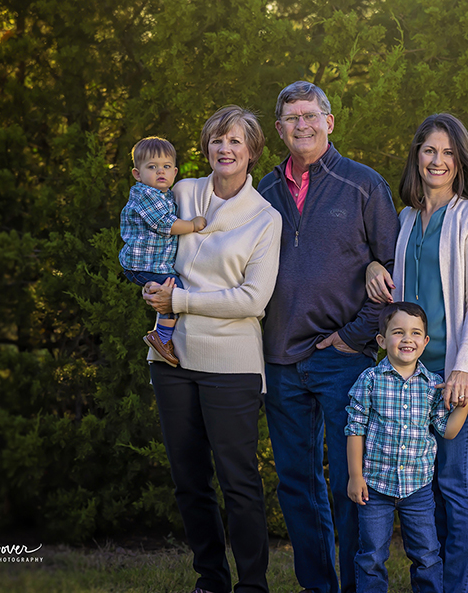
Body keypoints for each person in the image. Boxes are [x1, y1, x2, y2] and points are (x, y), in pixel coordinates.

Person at [257, 81, 400, 593]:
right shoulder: (263, 193)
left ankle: (360, 585)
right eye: (292, 117)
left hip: (343, 359)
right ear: (279, 129)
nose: (302, 124)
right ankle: (318, 586)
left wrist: (354, 336)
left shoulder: (363, 184)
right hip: (280, 357)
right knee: (297, 484)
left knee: (348, 482)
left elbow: (390, 269)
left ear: (329, 122)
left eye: (311, 115)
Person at [142, 106, 281, 593]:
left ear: (252, 152)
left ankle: (253, 585)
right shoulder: (181, 194)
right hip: (172, 357)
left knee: (238, 482)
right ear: (205, 148)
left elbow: (252, 299)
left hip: (231, 364)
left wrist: (179, 298)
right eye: (218, 140)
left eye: (236, 142)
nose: (225, 149)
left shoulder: (266, 218)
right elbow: (147, 238)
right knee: (189, 480)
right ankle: (211, 580)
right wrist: (147, 283)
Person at [363, 113, 468, 592]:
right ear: (416, 156)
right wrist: (373, 270)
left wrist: (462, 369)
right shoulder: (405, 220)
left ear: (460, 163)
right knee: (426, 490)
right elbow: (399, 292)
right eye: (429, 151)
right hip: (408, 376)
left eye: (447, 153)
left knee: (456, 485)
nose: (437, 161)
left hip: (451, 373)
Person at [345, 302, 468, 593]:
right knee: (372, 556)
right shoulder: (370, 380)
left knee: (426, 556)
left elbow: (447, 431)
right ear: (382, 340)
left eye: (415, 333)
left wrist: (462, 407)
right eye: (398, 332)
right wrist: (355, 476)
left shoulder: (432, 386)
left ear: (425, 342)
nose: (407, 339)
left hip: (418, 490)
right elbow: (355, 428)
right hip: (374, 488)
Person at [119, 136, 208, 365]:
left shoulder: (164, 194)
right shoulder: (145, 195)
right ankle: (161, 336)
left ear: (175, 172)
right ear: (137, 174)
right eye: (152, 167)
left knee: (167, 288)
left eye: (166, 167)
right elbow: (164, 224)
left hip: (151, 264)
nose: (161, 171)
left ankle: (162, 334)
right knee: (174, 290)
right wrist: (193, 225)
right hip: (141, 264)